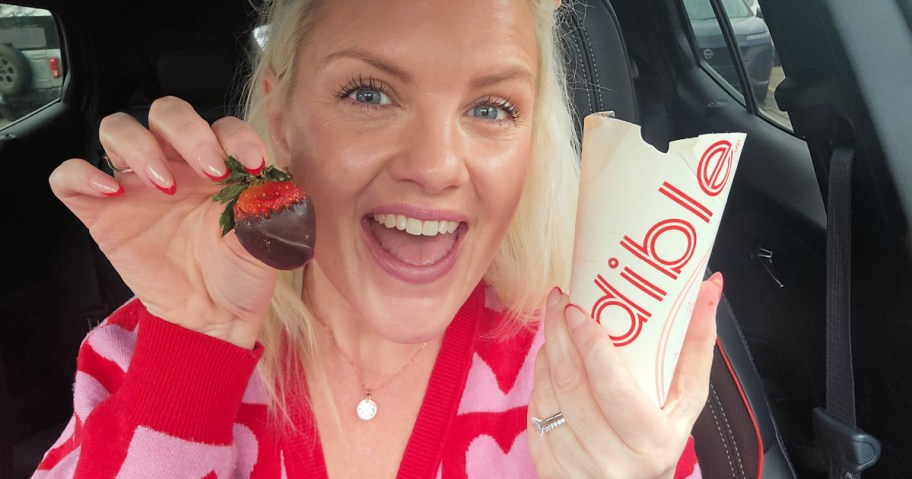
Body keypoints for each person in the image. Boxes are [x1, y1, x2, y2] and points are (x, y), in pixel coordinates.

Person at [38, 0, 723, 477]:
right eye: (369, 94)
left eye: (491, 108)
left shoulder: (590, 364)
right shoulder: (148, 350)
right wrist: (197, 347)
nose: (433, 166)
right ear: (280, 110)